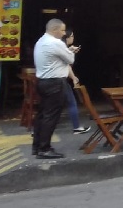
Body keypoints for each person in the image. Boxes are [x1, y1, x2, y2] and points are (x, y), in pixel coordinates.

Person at [33, 19, 78, 159]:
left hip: (43, 82)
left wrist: (67, 51)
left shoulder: (41, 41)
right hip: (55, 83)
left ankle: (37, 146)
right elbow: (70, 60)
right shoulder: (56, 43)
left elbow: (56, 57)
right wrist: (71, 52)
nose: (64, 33)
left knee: (42, 115)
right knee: (51, 117)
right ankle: (45, 148)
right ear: (54, 30)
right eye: (63, 30)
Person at [60, 30, 90, 134]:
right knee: (72, 103)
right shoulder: (62, 47)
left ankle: (37, 129)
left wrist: (70, 50)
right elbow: (67, 64)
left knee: (50, 106)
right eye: (72, 36)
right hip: (60, 80)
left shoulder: (60, 47)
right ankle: (76, 127)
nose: (73, 38)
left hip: (56, 80)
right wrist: (73, 78)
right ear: (67, 37)